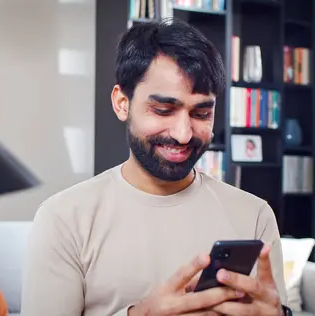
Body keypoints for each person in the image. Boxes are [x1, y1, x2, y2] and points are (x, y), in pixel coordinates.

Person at [21, 19, 289, 316]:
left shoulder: (255, 215)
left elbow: (274, 304)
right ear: (122, 103)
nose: (183, 134)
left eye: (201, 113)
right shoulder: (63, 218)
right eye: (163, 110)